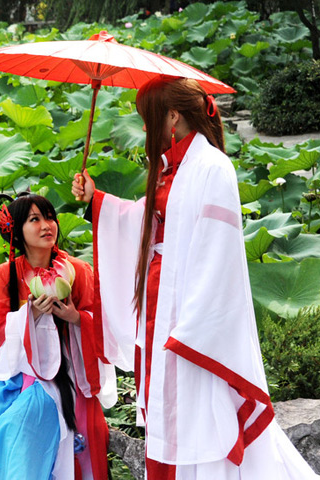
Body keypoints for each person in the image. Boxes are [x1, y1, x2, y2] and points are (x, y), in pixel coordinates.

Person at [72, 76, 318, 479]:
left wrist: (193, 327)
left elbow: (218, 254)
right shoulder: (170, 168)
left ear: (172, 117)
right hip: (158, 305)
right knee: (169, 414)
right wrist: (96, 201)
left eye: (149, 119)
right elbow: (146, 222)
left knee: (200, 412)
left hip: (189, 320)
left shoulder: (212, 166)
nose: (147, 130)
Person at [0, 192, 114, 480]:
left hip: (69, 373)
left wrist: (75, 318)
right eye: (35, 219)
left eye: (49, 217)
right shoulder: (6, 274)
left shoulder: (79, 271)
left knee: (25, 420)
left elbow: (105, 326)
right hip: (18, 370)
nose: (47, 225)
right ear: (17, 232)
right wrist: (29, 316)